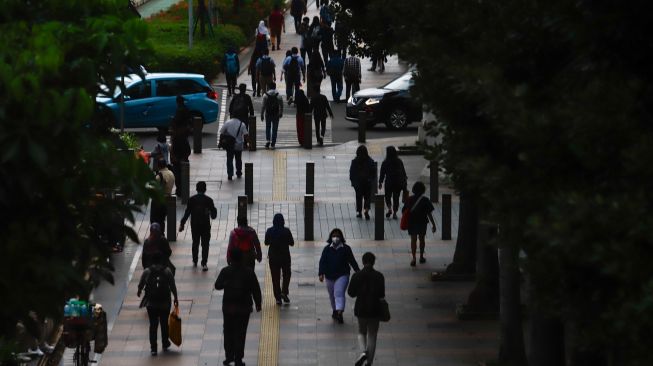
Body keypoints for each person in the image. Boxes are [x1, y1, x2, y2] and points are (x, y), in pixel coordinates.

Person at [214, 248, 262, 366]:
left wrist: (227, 284)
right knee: (241, 333)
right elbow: (255, 288)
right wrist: (258, 303)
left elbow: (217, 285)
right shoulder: (249, 272)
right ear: (242, 258)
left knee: (228, 331)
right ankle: (238, 359)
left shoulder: (225, 271)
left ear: (230, 258)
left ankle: (229, 356)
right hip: (243, 308)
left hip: (228, 308)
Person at [137, 252, 179, 356]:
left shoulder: (147, 271)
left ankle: (153, 348)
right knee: (164, 323)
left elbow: (141, 283)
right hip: (164, 302)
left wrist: (139, 291)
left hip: (151, 303)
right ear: (161, 260)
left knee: (153, 325)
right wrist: (176, 298)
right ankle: (165, 344)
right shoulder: (167, 271)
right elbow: (173, 286)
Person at [348, 252, 385, 366]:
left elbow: (351, 293)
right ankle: (369, 362)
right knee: (372, 335)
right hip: (375, 309)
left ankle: (363, 352)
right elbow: (381, 294)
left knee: (361, 332)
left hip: (361, 308)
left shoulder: (357, 275)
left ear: (363, 262)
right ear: (373, 262)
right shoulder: (379, 276)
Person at [318, 228, 360, 324]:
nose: (335, 238)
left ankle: (340, 312)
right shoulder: (327, 249)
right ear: (330, 237)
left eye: (337, 236)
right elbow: (322, 262)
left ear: (341, 237)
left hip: (342, 275)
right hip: (329, 276)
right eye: (333, 236)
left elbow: (352, 261)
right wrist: (321, 273)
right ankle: (335, 310)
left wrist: (357, 271)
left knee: (339, 292)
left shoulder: (346, 248)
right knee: (332, 295)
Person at [179, 181, 217, 271]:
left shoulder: (192, 199)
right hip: (205, 225)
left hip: (195, 225)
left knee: (195, 242)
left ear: (196, 189)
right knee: (205, 244)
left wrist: (182, 223)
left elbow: (187, 212)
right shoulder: (209, 200)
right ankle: (204, 263)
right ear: (205, 189)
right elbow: (214, 215)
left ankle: (195, 260)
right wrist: (211, 212)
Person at [403, 181, 437, 267]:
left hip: (412, 222)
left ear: (413, 190)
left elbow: (403, 210)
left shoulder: (409, 199)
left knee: (413, 239)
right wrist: (433, 225)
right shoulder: (425, 200)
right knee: (422, 239)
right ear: (423, 190)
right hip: (422, 222)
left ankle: (414, 258)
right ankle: (421, 256)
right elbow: (429, 213)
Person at [264, 213, 294, 305]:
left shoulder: (269, 231)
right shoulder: (286, 231)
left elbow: (266, 242)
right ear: (283, 221)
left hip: (273, 258)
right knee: (286, 275)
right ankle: (284, 292)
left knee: (275, 277)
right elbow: (292, 243)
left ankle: (277, 297)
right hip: (285, 257)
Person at [379, 146, 408, 219]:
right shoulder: (399, 161)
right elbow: (403, 172)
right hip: (398, 182)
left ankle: (389, 209)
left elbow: (382, 173)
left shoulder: (385, 162)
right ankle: (395, 213)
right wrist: (405, 182)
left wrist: (380, 182)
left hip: (389, 182)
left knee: (387, 196)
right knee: (396, 198)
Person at [170, 96, 191, 196]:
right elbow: (188, 150)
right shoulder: (186, 109)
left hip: (178, 159)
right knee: (183, 175)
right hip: (183, 158)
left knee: (178, 176)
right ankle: (182, 191)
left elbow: (174, 149)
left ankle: (179, 191)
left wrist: (175, 158)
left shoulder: (176, 138)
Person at [350, 145, 376, 220]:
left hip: (358, 183)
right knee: (367, 197)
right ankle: (366, 210)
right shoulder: (370, 161)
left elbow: (352, 172)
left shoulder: (355, 161)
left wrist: (353, 182)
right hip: (367, 182)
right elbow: (373, 171)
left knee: (359, 197)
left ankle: (359, 212)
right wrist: (371, 179)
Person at [150, 159, 175, 233]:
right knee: (162, 219)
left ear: (158, 166)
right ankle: (161, 234)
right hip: (168, 198)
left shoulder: (159, 176)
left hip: (158, 200)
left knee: (155, 219)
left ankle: (156, 234)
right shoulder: (171, 173)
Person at [261, 82, 284, 149]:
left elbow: (263, 106)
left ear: (268, 87)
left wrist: (262, 114)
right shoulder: (278, 95)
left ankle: (268, 140)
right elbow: (281, 106)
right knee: (275, 129)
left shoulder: (265, 95)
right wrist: (281, 113)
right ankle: (273, 144)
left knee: (268, 127)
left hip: (268, 114)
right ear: (275, 87)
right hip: (276, 114)